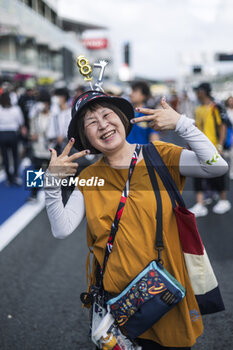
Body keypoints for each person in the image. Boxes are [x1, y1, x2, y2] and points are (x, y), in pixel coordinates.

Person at [44, 90, 228, 349]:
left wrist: (182, 125)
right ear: (86, 138)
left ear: (121, 118)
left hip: (166, 297)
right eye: (92, 123)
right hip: (119, 306)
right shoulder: (89, 177)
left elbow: (216, 167)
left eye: (107, 115)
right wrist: (50, 183)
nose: (103, 125)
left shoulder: (160, 156)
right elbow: (62, 229)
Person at [189, 82, 231, 216]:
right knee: (197, 176)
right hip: (199, 148)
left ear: (204, 92)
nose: (196, 93)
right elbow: (195, 127)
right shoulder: (198, 108)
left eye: (198, 91)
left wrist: (219, 145)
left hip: (213, 148)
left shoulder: (216, 107)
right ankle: (200, 204)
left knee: (218, 175)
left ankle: (224, 201)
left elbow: (223, 127)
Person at [0, 91, 26, 185]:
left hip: (2, 134)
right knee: (15, 156)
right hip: (13, 134)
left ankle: (8, 177)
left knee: (5, 157)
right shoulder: (16, 109)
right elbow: (21, 122)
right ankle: (16, 175)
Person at [225, 96, 233, 179]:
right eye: (229, 100)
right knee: (228, 154)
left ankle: (231, 172)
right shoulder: (225, 111)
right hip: (228, 135)